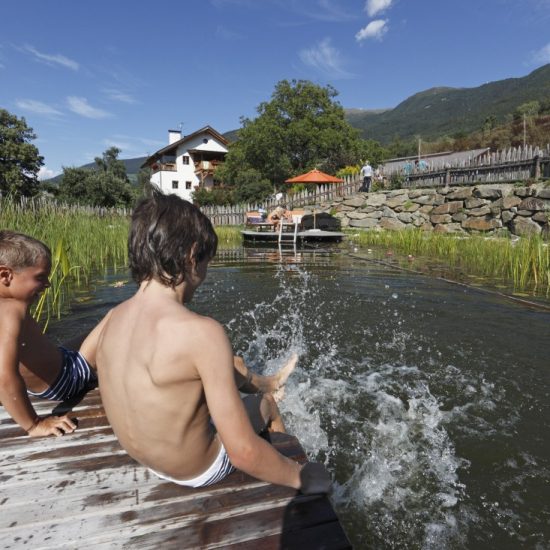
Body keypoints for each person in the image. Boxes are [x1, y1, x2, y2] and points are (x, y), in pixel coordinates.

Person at [94, 189, 331, 493]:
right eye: (206, 263)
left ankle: (264, 380)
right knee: (266, 404)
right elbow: (242, 453)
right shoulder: (203, 332)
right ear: (192, 257)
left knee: (208, 370)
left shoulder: (113, 317)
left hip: (144, 457)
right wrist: (302, 476)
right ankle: (292, 476)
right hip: (195, 470)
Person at [0, 230, 100, 437]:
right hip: (66, 381)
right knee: (114, 320)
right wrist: (34, 424)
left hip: (56, 368)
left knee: (91, 333)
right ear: (5, 275)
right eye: (40, 277)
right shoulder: (11, 310)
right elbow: (4, 376)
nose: (47, 284)